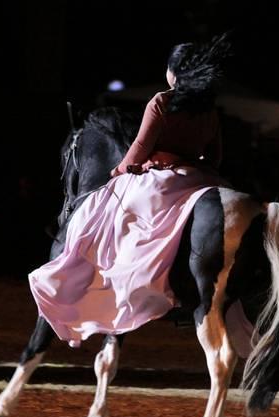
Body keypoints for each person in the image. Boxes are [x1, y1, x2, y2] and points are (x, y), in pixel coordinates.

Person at [29, 33, 231, 346]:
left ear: (174, 72)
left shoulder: (162, 101)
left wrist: (119, 170)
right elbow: (215, 157)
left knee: (102, 208)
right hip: (200, 178)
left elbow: (139, 147)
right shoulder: (210, 110)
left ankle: (111, 280)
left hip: (161, 177)